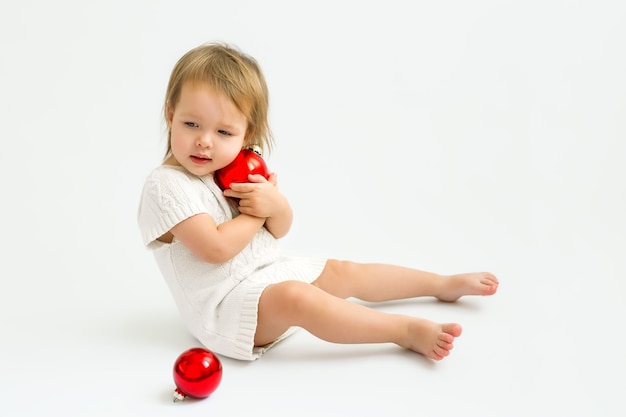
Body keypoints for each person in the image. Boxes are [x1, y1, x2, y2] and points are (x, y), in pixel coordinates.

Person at [137, 42, 499, 361]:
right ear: (171, 116)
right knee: (299, 298)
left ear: (247, 134)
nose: (205, 142)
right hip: (223, 307)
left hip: (266, 276)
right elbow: (215, 249)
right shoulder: (166, 185)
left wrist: (274, 205)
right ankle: (402, 331)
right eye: (191, 124)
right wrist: (254, 215)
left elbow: (279, 229)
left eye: (224, 132)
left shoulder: (235, 169)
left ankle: (441, 284)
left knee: (344, 271)